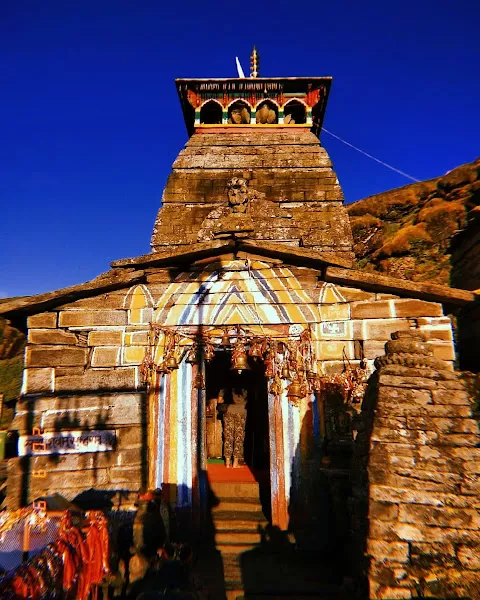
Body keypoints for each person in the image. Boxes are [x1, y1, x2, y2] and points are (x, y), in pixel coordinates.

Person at [223, 388, 247, 468]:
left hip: (229, 412)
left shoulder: (227, 388)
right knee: (238, 437)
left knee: (228, 436)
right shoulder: (245, 388)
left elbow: (219, 400)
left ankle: (227, 463)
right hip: (241, 413)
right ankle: (235, 463)